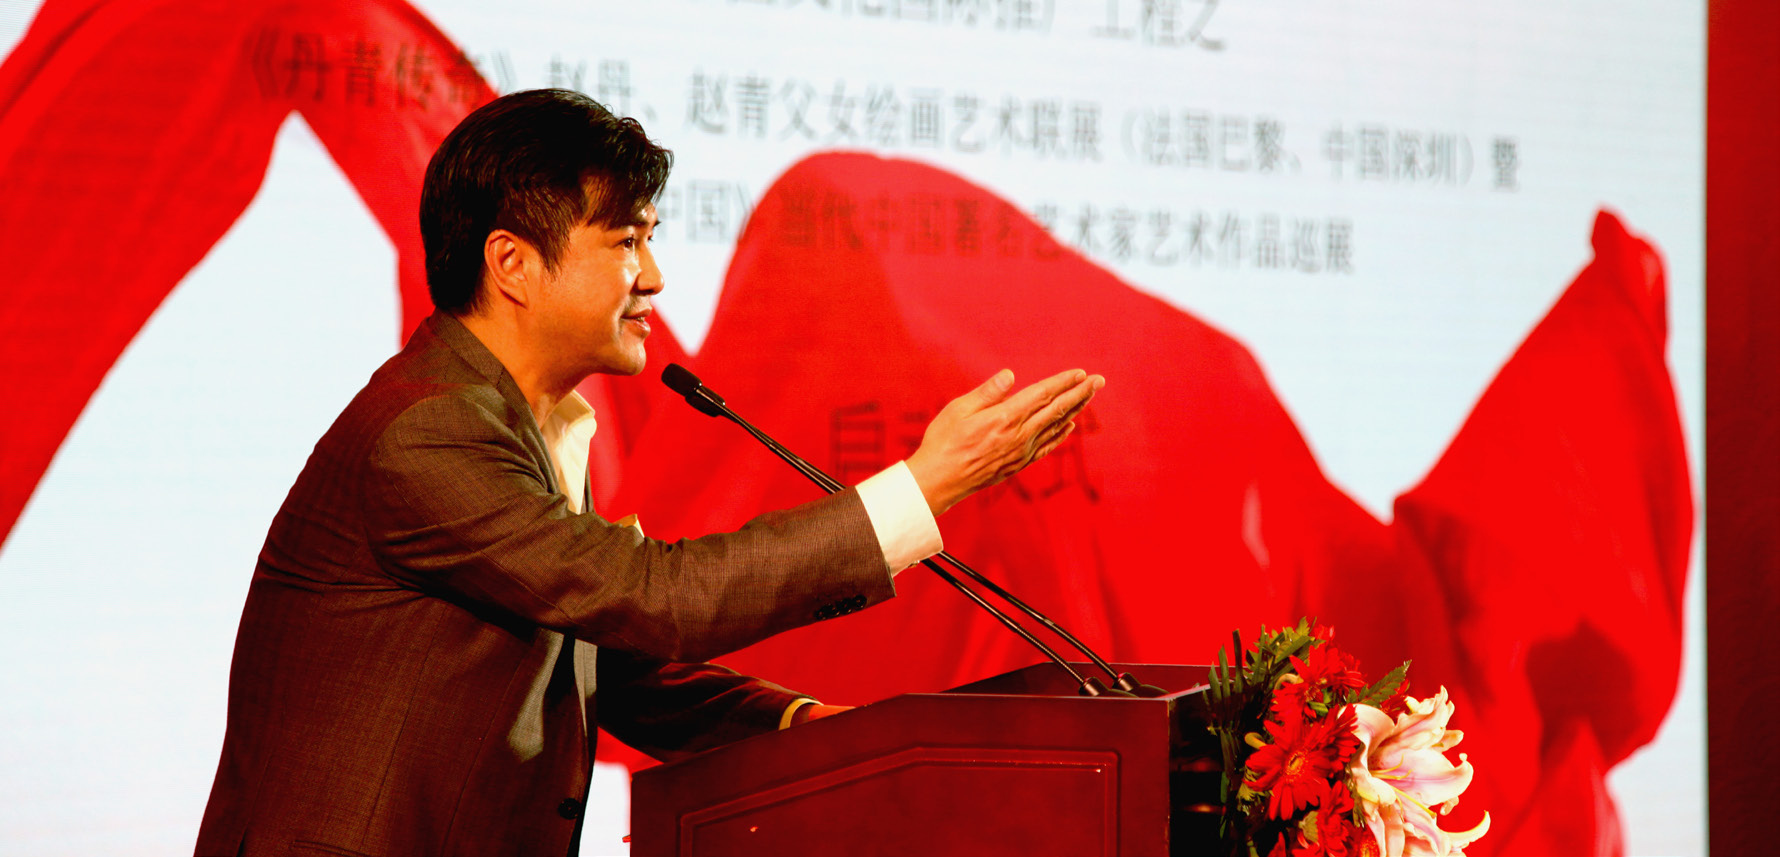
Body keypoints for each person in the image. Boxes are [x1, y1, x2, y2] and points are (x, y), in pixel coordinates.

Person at [194, 89, 1101, 857]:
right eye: (625, 242)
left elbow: (616, 670)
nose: (654, 277)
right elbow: (658, 598)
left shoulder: (525, 420)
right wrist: (922, 487)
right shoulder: (432, 430)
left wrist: (801, 728)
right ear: (512, 263)